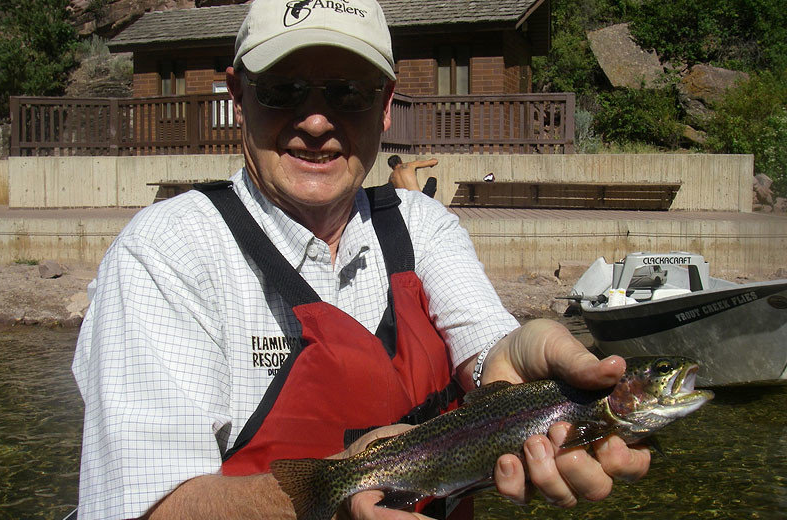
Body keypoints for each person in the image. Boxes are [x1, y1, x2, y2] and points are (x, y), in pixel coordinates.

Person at [72, 0, 650, 519]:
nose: (317, 121)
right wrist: (337, 489)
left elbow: (487, 349)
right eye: (283, 89)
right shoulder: (167, 251)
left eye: (348, 92)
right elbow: (141, 507)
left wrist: (510, 365)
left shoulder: (421, 224)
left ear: (386, 105)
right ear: (239, 97)